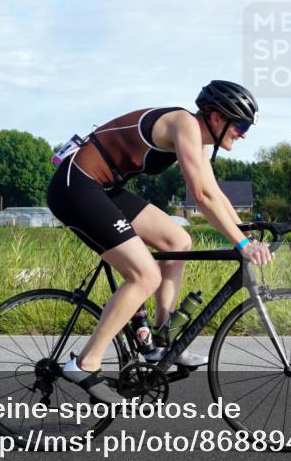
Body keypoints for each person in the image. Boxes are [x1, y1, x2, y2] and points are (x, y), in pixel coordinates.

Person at [46, 80, 273, 402]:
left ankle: (161, 341)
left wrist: (246, 235)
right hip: (77, 186)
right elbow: (202, 195)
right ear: (217, 118)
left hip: (104, 188)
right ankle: (85, 362)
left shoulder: (198, 140)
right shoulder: (184, 124)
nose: (244, 132)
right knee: (145, 275)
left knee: (177, 240)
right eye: (241, 124)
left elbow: (217, 195)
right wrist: (242, 245)